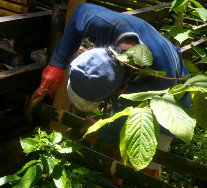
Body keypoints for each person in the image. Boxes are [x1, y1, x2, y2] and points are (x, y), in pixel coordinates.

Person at [32, 3, 188, 179]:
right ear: (93, 51)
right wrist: (57, 64)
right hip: (140, 75)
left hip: (170, 98)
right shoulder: (105, 26)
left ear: (122, 89)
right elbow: (79, 13)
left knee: (148, 159)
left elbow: (125, 124)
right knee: (114, 153)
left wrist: (98, 131)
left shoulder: (159, 80)